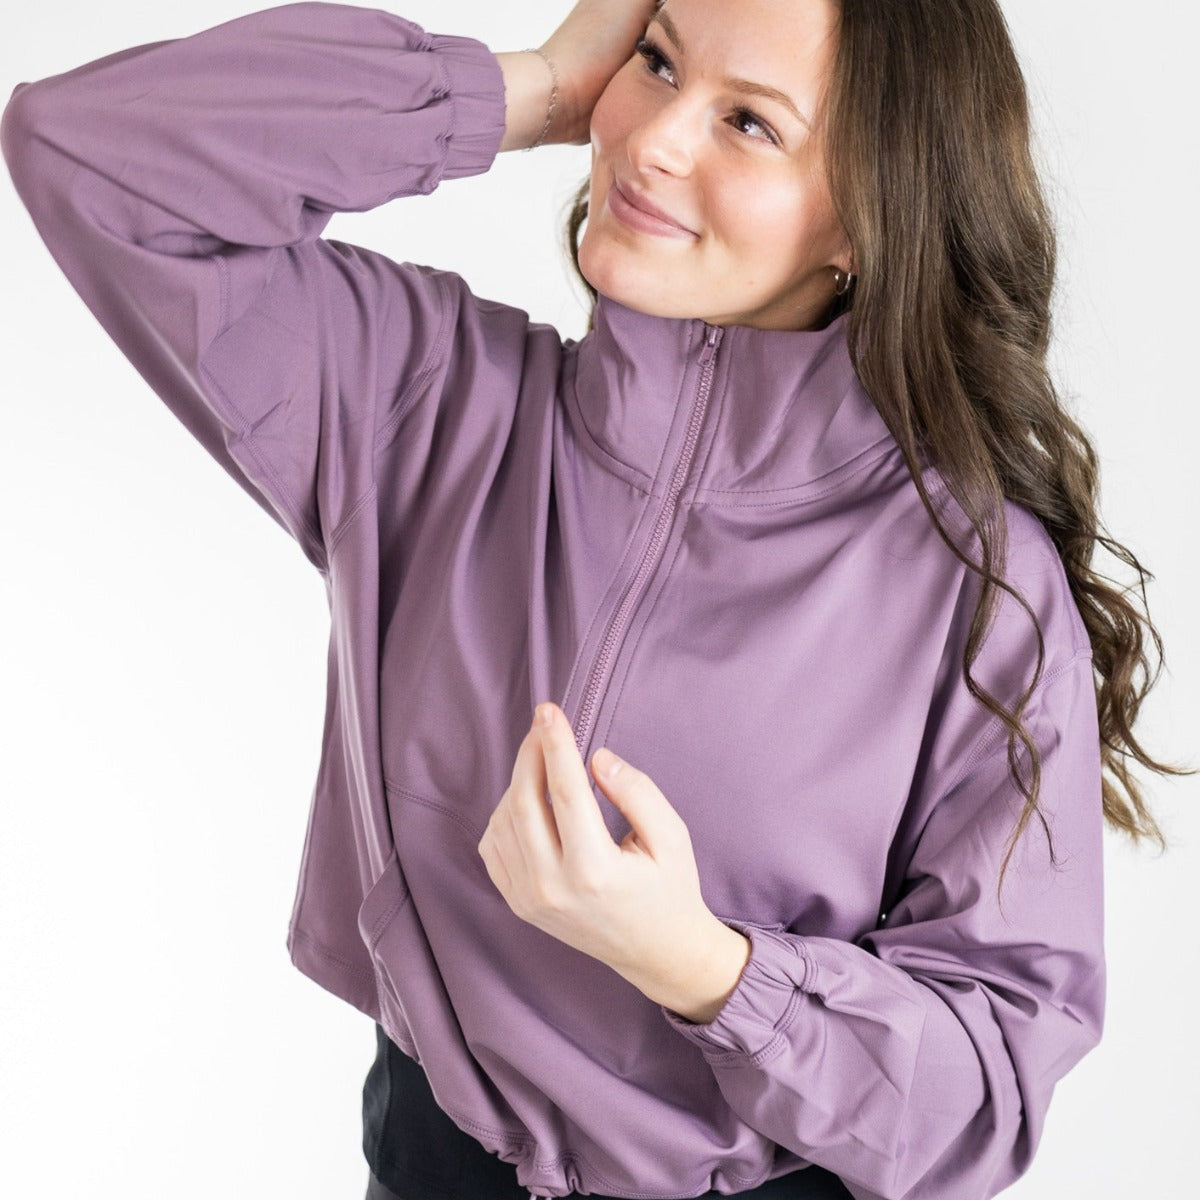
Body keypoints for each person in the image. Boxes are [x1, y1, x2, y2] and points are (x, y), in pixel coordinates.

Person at [1, 1, 1188, 1198]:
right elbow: (83, 151)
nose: (659, 139)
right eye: (658, 61)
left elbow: (978, 1100)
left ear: (865, 223)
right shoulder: (425, 405)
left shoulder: (976, 586)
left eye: (750, 123)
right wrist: (536, 89)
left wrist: (706, 969)